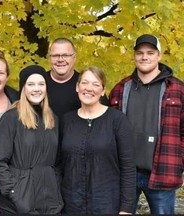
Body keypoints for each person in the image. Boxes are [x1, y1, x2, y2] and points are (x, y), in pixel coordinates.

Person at [109, 34, 184, 214]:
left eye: (150, 52)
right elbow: (109, 130)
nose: (144, 57)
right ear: (134, 56)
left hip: (163, 172)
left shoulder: (177, 89)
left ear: (159, 56)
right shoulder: (121, 88)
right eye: (140, 53)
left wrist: (179, 161)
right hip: (125, 174)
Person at [60, 66, 135, 214]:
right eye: (84, 83)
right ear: (77, 87)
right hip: (71, 204)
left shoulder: (117, 120)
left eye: (95, 84)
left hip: (107, 204)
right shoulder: (67, 120)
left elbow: (128, 168)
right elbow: (60, 164)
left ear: (102, 91)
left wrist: (126, 208)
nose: (89, 88)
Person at [0, 65, 64, 215]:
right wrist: (14, 193)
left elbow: (57, 163)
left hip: (48, 203)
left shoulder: (52, 120)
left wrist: (55, 189)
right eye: (31, 84)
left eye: (41, 84)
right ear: (23, 88)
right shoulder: (11, 118)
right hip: (17, 204)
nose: (36, 89)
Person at [46, 37, 109, 123]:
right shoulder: (38, 85)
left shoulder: (87, 87)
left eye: (65, 55)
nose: (60, 59)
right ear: (50, 58)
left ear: (74, 57)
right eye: (55, 55)